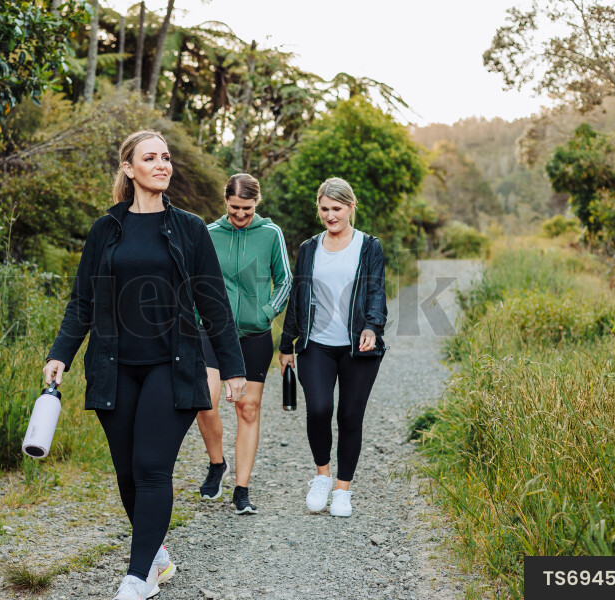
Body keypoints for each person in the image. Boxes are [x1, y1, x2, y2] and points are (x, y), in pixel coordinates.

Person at [42, 130, 247, 600]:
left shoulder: (190, 228)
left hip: (171, 364)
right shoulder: (105, 230)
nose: (162, 164)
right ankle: (156, 554)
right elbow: (82, 302)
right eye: (150, 158)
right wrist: (60, 354)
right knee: (128, 473)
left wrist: (233, 368)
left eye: (166, 157)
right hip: (114, 366)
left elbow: (212, 302)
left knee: (152, 466)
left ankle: (138, 578)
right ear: (129, 169)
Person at [277, 177, 387, 518]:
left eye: (336, 209)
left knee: (350, 417)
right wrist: (286, 344)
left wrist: (372, 326)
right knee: (320, 409)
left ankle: (342, 490)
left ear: (351, 207)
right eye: (324, 209)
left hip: (358, 349)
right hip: (317, 346)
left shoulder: (369, 246)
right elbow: (298, 296)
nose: (330, 215)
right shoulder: (310, 248)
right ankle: (322, 475)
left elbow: (376, 292)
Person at [195, 173, 292, 514]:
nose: (240, 216)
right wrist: (196, 315)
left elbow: (285, 280)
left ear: (257, 204)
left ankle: (241, 489)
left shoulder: (270, 234)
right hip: (211, 331)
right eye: (235, 208)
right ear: (226, 202)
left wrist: (265, 313)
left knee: (246, 408)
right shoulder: (207, 234)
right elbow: (193, 281)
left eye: (247, 210)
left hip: (254, 335)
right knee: (205, 398)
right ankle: (216, 463)